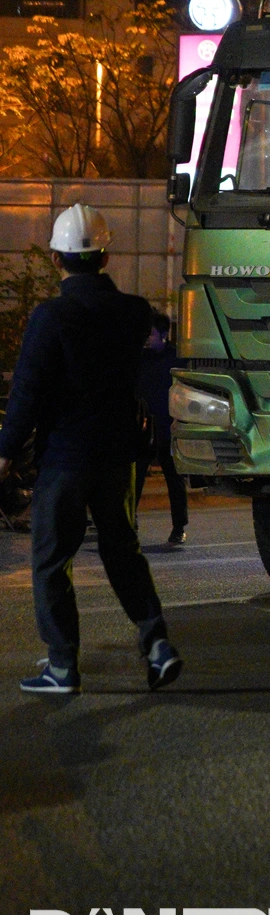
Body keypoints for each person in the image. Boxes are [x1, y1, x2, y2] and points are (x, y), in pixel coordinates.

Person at [2, 205, 181, 696]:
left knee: (51, 560)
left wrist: (5, 450)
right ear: (105, 254)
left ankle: (62, 666)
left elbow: (28, 391)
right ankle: (157, 643)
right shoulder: (134, 312)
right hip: (119, 456)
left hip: (65, 458)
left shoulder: (51, 316)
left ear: (58, 258)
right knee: (123, 552)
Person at [136, 312, 187, 553]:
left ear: (164, 334)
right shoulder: (138, 359)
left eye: (151, 334)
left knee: (174, 481)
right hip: (143, 429)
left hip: (169, 428)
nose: (146, 338)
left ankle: (179, 527)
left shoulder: (177, 358)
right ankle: (128, 523)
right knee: (133, 481)